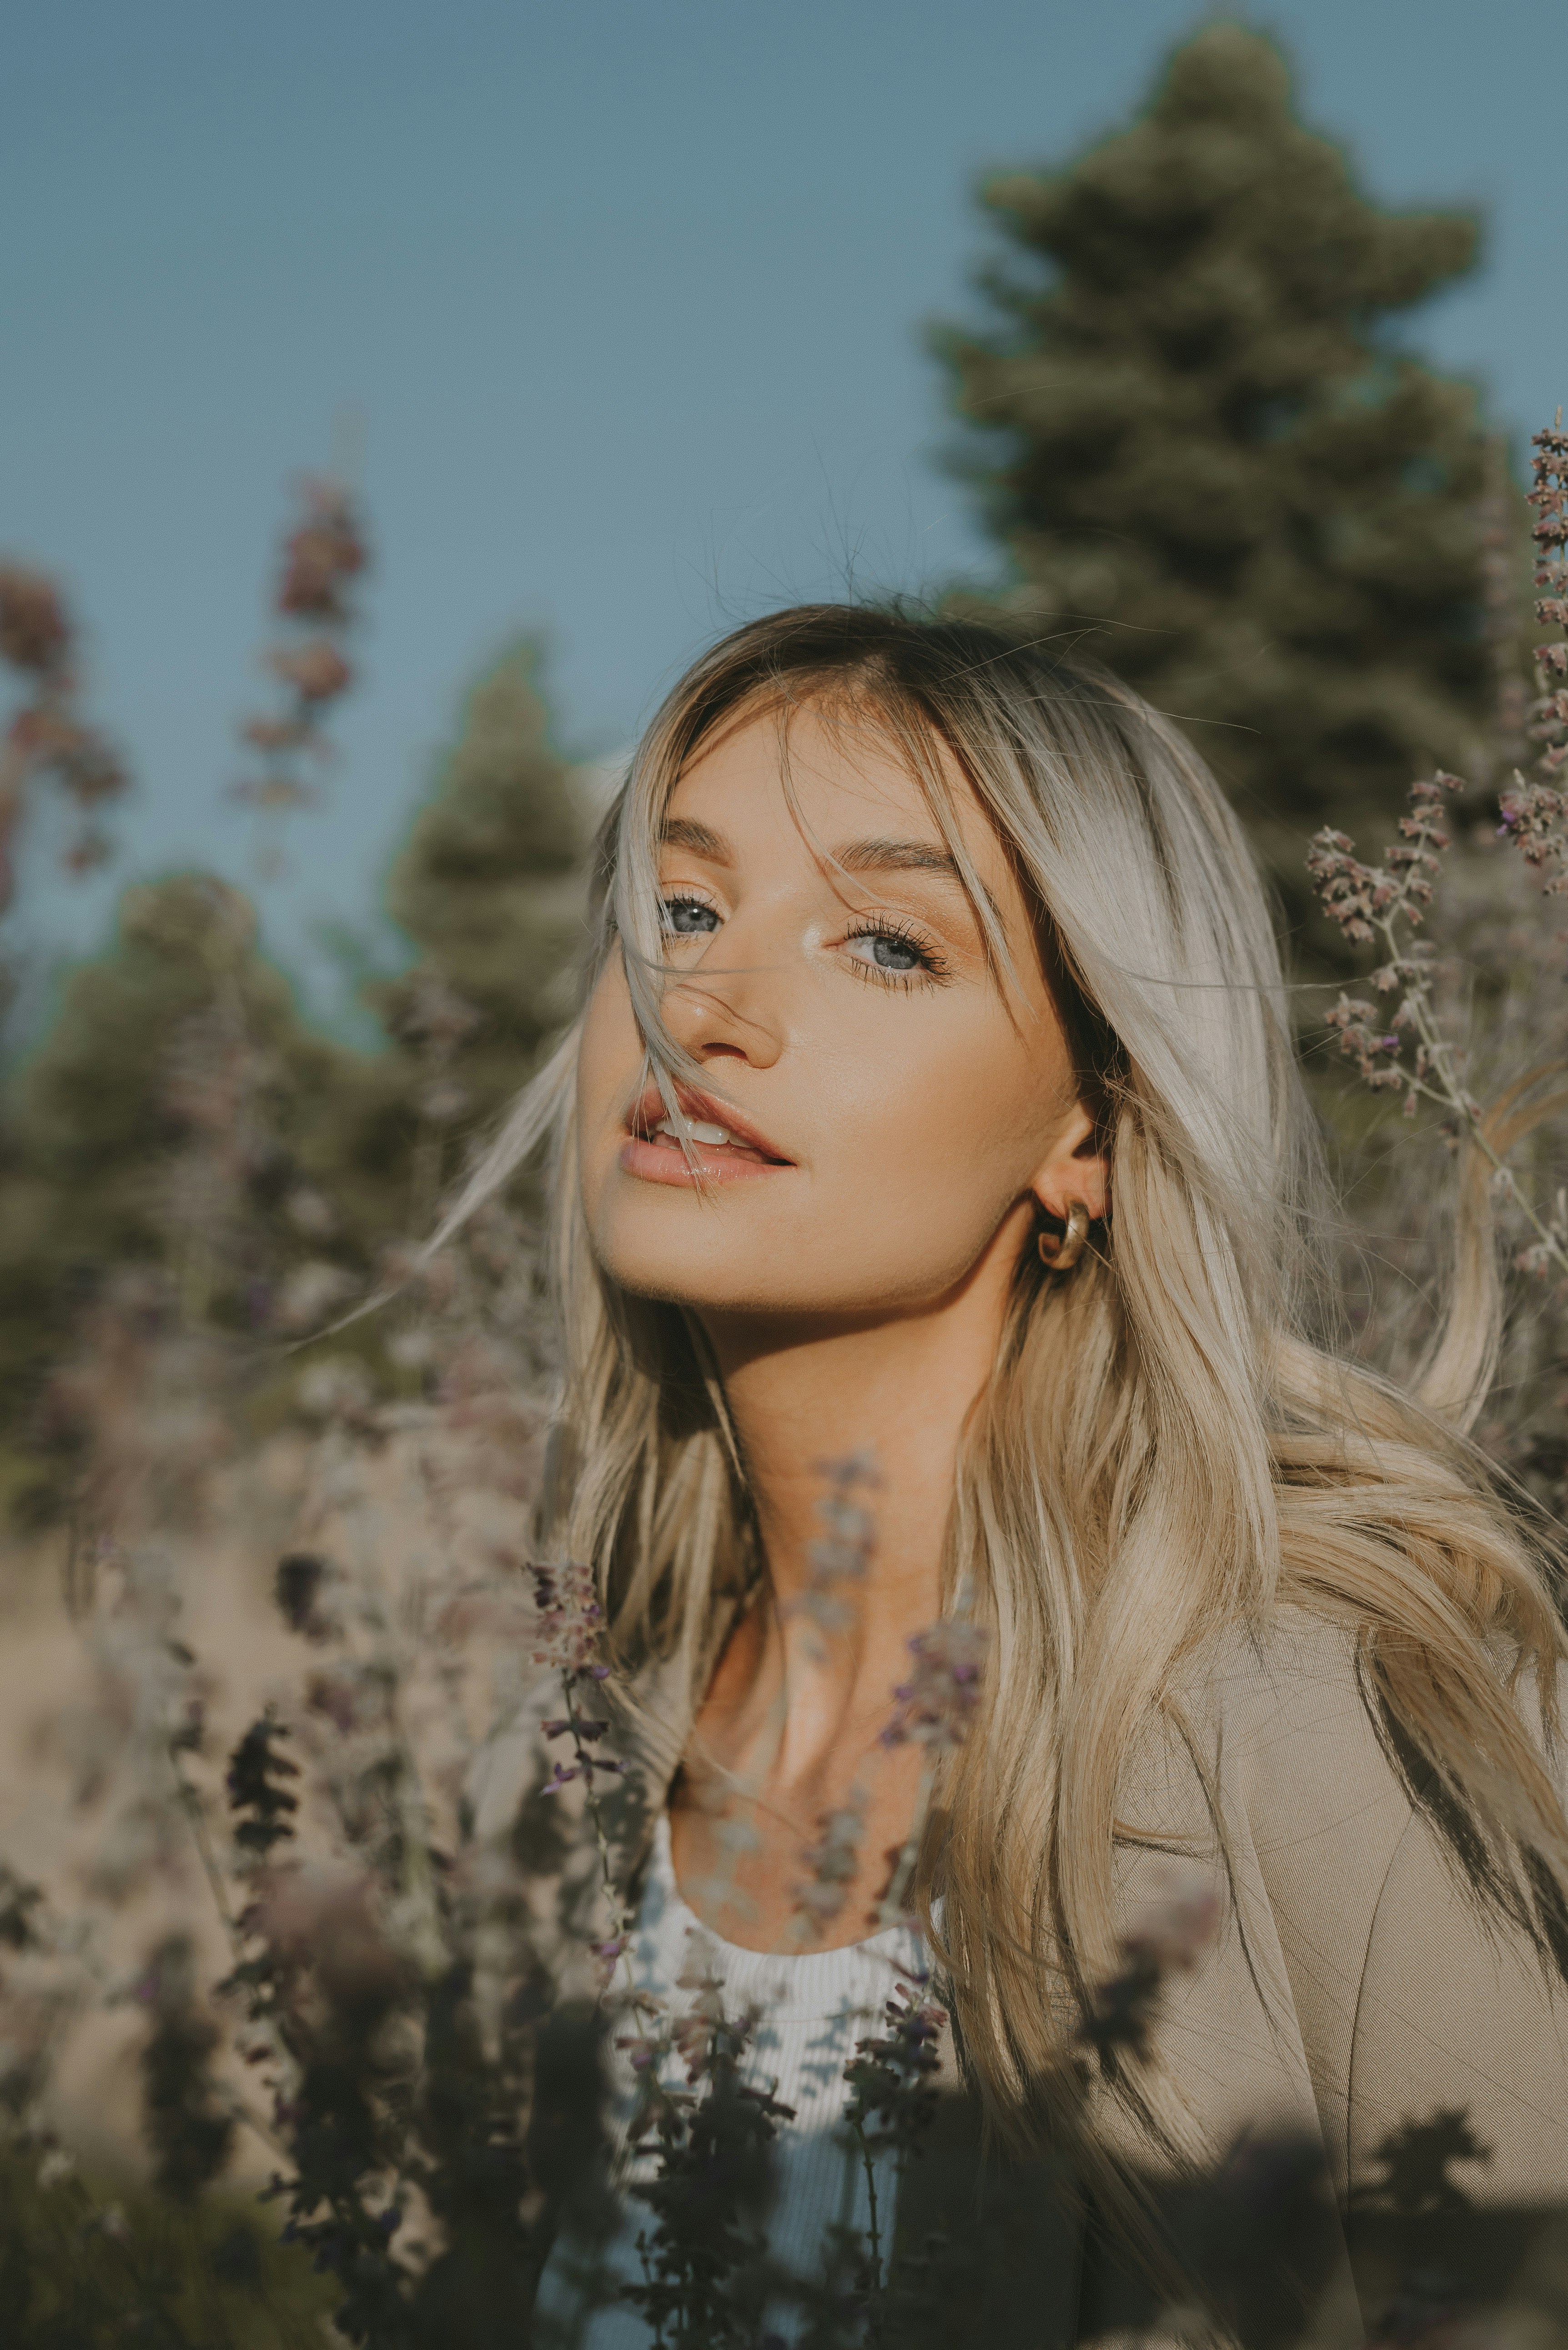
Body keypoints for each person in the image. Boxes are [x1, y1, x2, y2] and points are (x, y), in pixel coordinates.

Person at [460, 605, 1568, 2343]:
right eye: (678, 909)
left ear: (1096, 1129)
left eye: (885, 945)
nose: (707, 1009)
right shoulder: (579, 1740)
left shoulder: (1314, 1716)